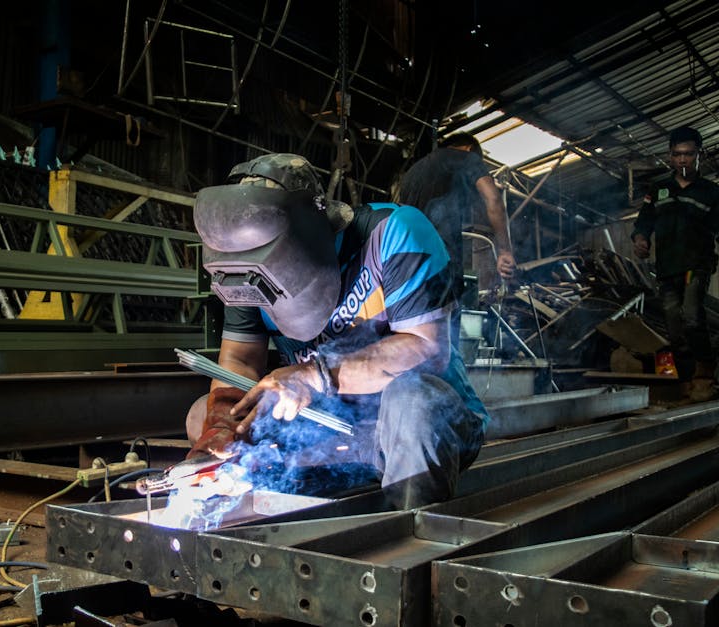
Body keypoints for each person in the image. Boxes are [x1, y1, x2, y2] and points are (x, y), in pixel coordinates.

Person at [185, 153, 490, 509]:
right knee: (200, 414)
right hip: (326, 431)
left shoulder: (392, 232)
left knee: (414, 403)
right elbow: (238, 360)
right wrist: (221, 426)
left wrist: (312, 376)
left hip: (409, 429)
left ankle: (409, 535)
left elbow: (426, 349)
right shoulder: (244, 269)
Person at [631, 126, 719, 400]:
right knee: (672, 321)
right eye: (677, 155)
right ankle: (683, 373)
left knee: (692, 315)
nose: (682, 160)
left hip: (698, 264)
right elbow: (643, 222)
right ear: (669, 156)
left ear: (698, 155)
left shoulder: (712, 193)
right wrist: (641, 239)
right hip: (667, 267)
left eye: (688, 154)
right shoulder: (658, 189)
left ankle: (705, 368)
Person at [393, 131, 517, 351]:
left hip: (405, 265)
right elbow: (493, 198)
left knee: (412, 342)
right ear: (469, 149)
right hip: (442, 263)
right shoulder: (467, 158)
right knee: (446, 343)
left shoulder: (411, 174)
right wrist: (505, 251)